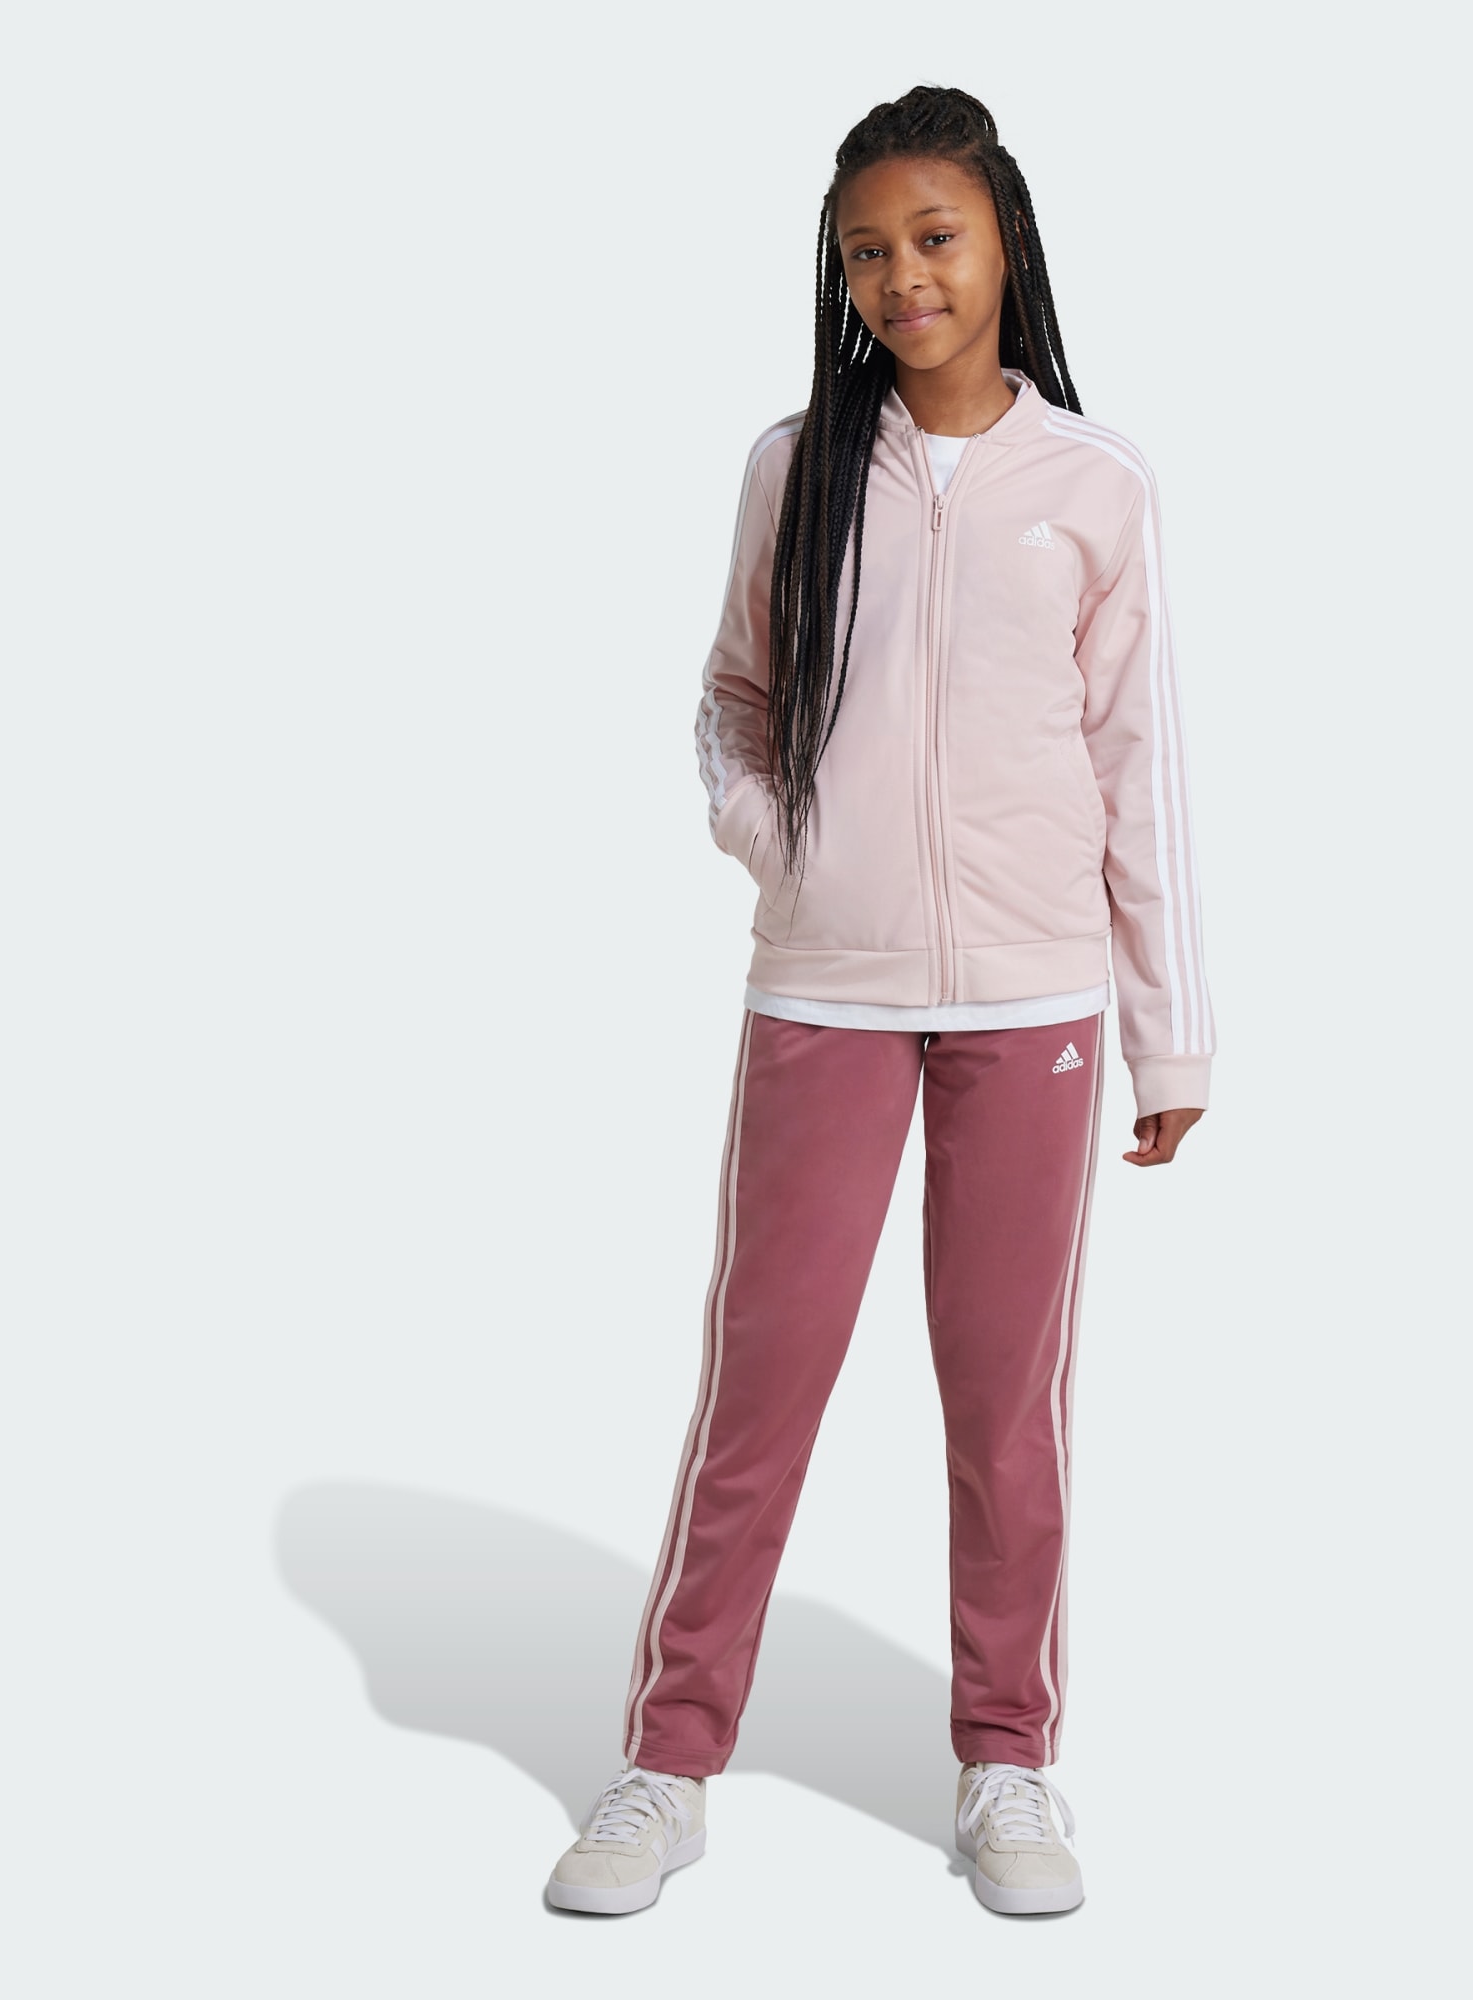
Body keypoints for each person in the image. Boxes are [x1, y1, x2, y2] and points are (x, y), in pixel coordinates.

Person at [546, 83, 1212, 1919]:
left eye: (934, 237)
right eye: (867, 251)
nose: (904, 275)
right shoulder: (795, 467)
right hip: (825, 990)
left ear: (1004, 241)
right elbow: (732, 698)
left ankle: (1008, 1759)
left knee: (1006, 1402)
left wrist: (1168, 1028)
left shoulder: (1097, 485)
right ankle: (669, 1764)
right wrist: (783, 848)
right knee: (761, 1380)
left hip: (1036, 998)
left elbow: (1140, 762)